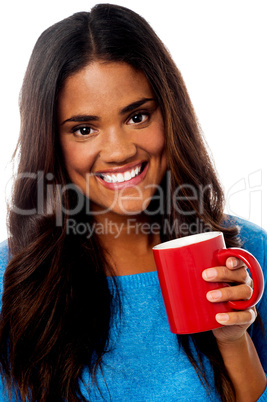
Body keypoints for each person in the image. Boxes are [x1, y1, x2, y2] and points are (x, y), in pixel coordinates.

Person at [0, 3, 266, 401]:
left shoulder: (243, 253)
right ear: (52, 144)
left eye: (137, 117)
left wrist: (233, 340)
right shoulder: (12, 279)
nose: (119, 150)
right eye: (84, 129)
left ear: (170, 114)